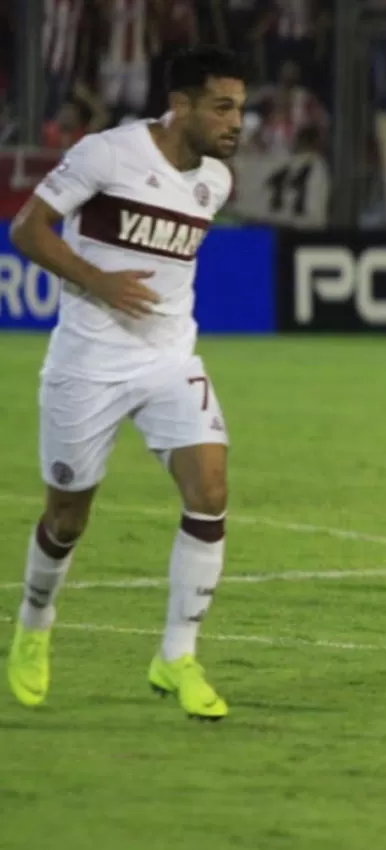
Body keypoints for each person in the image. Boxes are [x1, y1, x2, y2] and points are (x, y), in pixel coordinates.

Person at [6, 46, 247, 719]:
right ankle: (33, 624)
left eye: (241, 109)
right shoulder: (107, 154)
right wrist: (99, 280)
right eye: (223, 107)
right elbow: (28, 230)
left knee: (211, 489)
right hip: (88, 363)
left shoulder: (216, 182)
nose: (236, 122)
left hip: (170, 359)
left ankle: (177, 657)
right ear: (182, 105)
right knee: (66, 517)